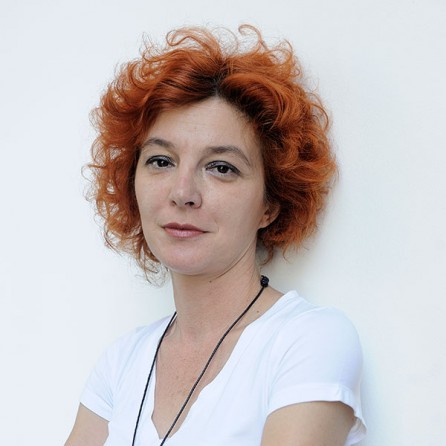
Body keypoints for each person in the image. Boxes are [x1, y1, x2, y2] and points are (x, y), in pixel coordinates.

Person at [65, 25, 366, 446]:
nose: (182, 193)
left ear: (270, 204)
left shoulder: (308, 340)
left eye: (221, 167)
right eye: (161, 161)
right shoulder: (121, 364)